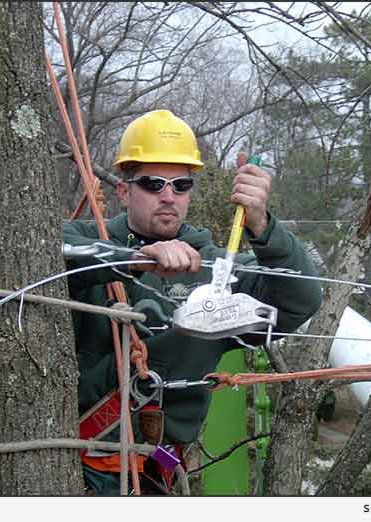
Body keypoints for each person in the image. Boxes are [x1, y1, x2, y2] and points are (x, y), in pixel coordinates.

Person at [63, 109, 322, 495]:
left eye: (181, 185)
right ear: (123, 190)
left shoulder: (216, 271)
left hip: (158, 472)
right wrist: (134, 260)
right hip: (77, 464)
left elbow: (300, 300)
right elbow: (49, 256)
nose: (168, 196)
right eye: (153, 184)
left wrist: (263, 226)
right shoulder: (86, 239)